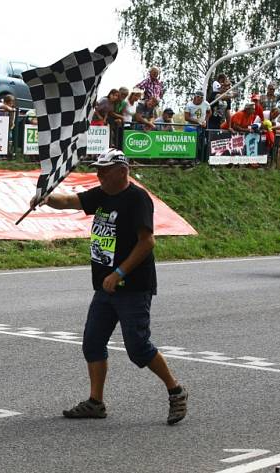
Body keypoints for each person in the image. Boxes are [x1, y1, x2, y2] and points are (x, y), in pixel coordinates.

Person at [31, 148, 188, 425]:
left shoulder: (137, 199)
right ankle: (96, 402)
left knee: (138, 347)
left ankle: (175, 390)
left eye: (103, 170)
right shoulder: (103, 193)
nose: (98, 173)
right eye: (97, 169)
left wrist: (119, 272)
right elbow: (70, 201)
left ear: (122, 171)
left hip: (133, 285)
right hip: (106, 286)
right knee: (92, 342)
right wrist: (46, 198)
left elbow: (147, 242)